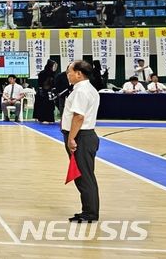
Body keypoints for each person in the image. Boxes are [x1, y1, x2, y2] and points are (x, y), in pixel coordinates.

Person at [61, 60, 100, 223]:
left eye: (69, 71)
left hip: (81, 137)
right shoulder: (87, 89)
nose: (67, 74)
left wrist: (71, 138)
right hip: (84, 136)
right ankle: (88, 210)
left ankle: (90, 212)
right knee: (84, 175)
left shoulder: (81, 91)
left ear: (79, 73)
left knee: (84, 176)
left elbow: (79, 117)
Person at [33, 60, 57, 124]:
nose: (54, 67)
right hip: (42, 92)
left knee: (50, 106)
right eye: (53, 66)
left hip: (50, 92)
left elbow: (53, 83)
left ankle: (50, 119)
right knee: (43, 105)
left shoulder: (53, 73)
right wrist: (41, 90)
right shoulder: (43, 73)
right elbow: (40, 83)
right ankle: (43, 119)